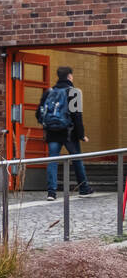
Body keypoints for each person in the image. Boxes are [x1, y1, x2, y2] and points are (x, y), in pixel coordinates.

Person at [37, 66, 93, 201]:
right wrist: (81, 135)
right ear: (69, 76)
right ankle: (84, 188)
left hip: (52, 133)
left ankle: (51, 192)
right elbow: (77, 115)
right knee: (77, 159)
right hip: (69, 133)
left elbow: (39, 113)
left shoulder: (49, 92)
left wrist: (46, 126)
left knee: (52, 161)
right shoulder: (73, 92)